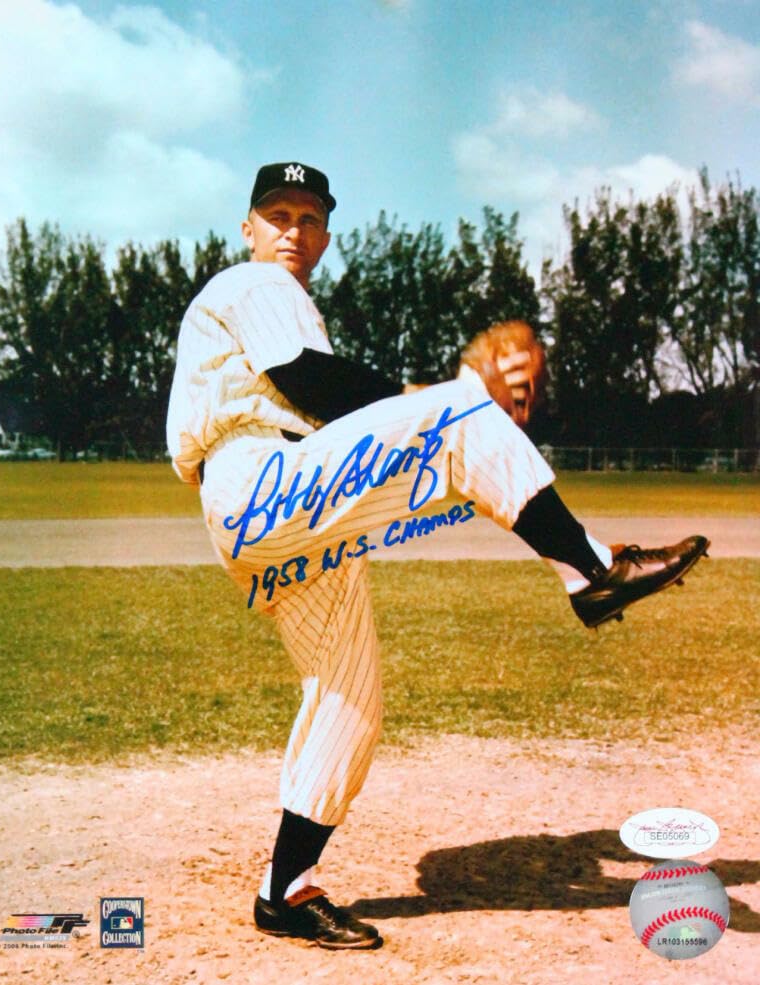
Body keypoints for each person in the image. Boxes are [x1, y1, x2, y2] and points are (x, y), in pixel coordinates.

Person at [166, 161, 709, 950]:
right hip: (258, 480)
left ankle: (284, 889)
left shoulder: (291, 299)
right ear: (248, 228)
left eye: (308, 217)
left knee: (349, 697)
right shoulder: (252, 284)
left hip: (288, 515)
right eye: (276, 213)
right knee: (459, 410)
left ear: (323, 235)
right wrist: (430, 397)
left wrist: (422, 407)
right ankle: (593, 570)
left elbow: (327, 395)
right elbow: (311, 381)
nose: (291, 228)